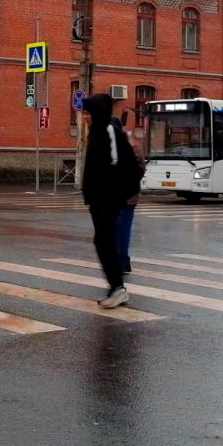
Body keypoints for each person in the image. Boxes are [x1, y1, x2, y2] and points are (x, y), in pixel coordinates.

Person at [81, 94, 142, 309]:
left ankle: (118, 288)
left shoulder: (109, 131)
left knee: (105, 241)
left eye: (88, 113)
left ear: (97, 112)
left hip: (109, 199)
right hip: (99, 200)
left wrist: (116, 194)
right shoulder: (96, 132)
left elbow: (117, 165)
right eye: (83, 113)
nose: (84, 117)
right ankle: (116, 287)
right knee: (103, 242)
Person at [113, 116, 141, 275]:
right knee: (123, 229)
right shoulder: (134, 143)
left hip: (122, 196)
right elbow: (141, 169)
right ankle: (122, 261)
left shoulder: (119, 145)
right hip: (131, 195)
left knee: (120, 229)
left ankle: (122, 261)